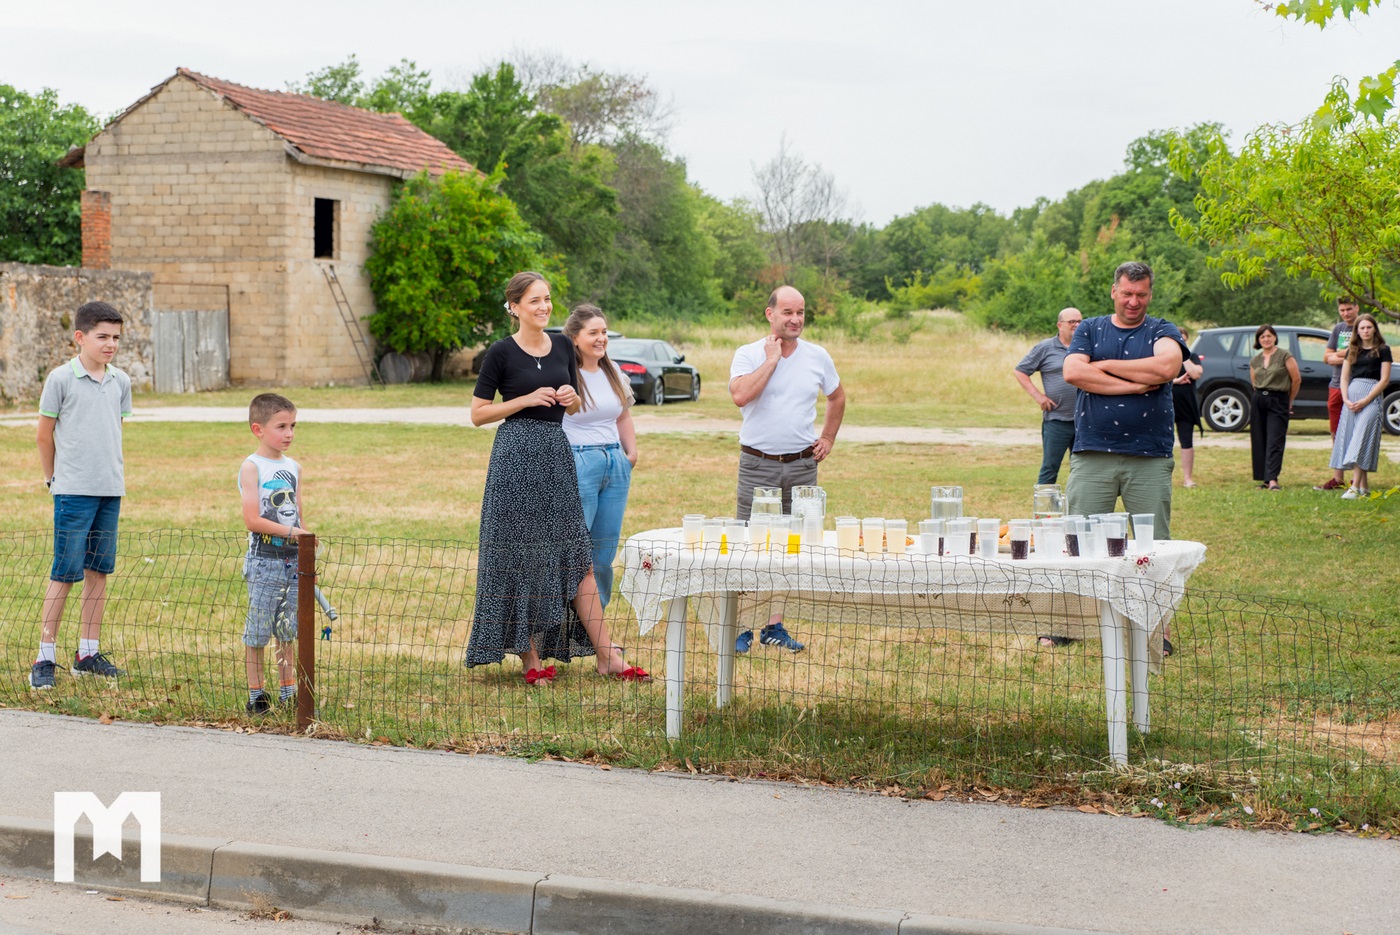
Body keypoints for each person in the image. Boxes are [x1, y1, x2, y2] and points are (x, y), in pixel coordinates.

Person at [465, 272, 646, 683]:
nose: (544, 307)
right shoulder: (500, 352)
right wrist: (524, 400)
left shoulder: (563, 345)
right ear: (514, 307)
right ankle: (530, 661)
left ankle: (608, 657)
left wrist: (572, 398)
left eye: (547, 299)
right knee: (523, 559)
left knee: (579, 558)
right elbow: (477, 414)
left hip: (556, 454)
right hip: (515, 457)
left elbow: (574, 407)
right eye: (534, 301)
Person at [729, 285, 846, 654]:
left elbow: (837, 396)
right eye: (788, 312)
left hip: (801, 466)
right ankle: (743, 627)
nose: (796, 319)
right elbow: (740, 395)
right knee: (750, 545)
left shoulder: (818, 356)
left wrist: (827, 437)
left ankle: (774, 626)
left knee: (791, 546)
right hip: (757, 464)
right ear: (770, 314)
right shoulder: (748, 354)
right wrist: (772, 359)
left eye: (801, 312)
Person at [30, 301, 132, 691]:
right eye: (102, 336)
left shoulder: (120, 381)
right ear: (80, 337)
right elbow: (44, 435)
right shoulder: (60, 379)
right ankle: (45, 657)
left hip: (110, 491)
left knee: (98, 572)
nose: (110, 344)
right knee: (65, 573)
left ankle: (87, 654)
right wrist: (52, 480)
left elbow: (113, 430)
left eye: (116, 337)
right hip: (72, 492)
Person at [1062, 262, 1188, 538]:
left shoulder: (1161, 330)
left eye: (1141, 295)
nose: (1133, 302)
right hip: (1093, 452)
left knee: (1153, 545)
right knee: (1081, 543)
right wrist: (1133, 387)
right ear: (1113, 291)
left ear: (1150, 294)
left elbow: (1167, 367)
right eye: (1127, 293)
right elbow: (1073, 372)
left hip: (1149, 456)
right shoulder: (1089, 328)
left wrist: (1104, 364)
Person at [561, 304, 638, 609]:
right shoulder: (565, 374)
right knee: (575, 551)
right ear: (575, 338)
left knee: (604, 554)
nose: (601, 338)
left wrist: (630, 455)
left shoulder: (613, 370)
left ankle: (594, 626)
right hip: (580, 463)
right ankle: (563, 623)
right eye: (592, 332)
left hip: (615, 464)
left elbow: (623, 416)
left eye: (604, 332)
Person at [238, 393, 309, 714]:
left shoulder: (294, 467)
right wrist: (294, 533)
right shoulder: (252, 467)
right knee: (258, 631)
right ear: (258, 429)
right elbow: (252, 520)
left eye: (293, 426)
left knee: (287, 630)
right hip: (264, 561)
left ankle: (287, 692)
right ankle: (257, 696)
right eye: (281, 426)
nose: (289, 433)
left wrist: (305, 547)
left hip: (293, 563)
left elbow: (298, 518)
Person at [1013, 307, 1082, 484]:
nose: (1076, 325)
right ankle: (1044, 501)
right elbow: (1020, 371)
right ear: (1060, 325)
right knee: (1050, 467)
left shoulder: (1085, 346)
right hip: (1057, 420)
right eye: (1071, 322)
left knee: (1082, 469)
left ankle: (1076, 501)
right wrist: (1038, 396)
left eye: (1079, 321)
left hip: (1084, 420)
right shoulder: (1046, 347)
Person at [1329, 313, 1392, 500]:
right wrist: (1346, 399)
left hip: (1371, 397)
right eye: (1362, 328)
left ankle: (1355, 487)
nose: (1365, 331)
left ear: (1374, 329)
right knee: (1353, 437)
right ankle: (1364, 487)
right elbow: (1344, 378)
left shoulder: (1383, 350)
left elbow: (1385, 379)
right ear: (1357, 331)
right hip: (1352, 397)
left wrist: (1367, 399)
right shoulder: (1352, 350)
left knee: (1362, 438)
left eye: (1368, 327)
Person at [1248, 324, 1301, 492]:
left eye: (1269, 336)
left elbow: (1296, 380)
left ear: (1275, 337)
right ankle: (1264, 479)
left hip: (1278, 399)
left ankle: (1272, 479)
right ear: (1258, 340)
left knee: (1274, 439)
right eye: (1262, 337)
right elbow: (1254, 382)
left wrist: (1289, 401)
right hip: (1259, 399)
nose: (1266, 339)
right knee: (1259, 438)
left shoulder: (1285, 355)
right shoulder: (1255, 360)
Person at [1314, 298, 1360, 491]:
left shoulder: (1364, 326)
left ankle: (1356, 480)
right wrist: (1346, 353)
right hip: (1335, 386)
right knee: (1336, 432)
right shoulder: (1338, 329)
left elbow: (1361, 355)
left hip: (1356, 385)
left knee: (1356, 432)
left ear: (1357, 307)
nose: (1346, 313)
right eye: (1342, 310)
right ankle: (1338, 478)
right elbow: (1326, 357)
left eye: (1349, 309)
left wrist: (1340, 354)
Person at [1170, 325, 1204, 488]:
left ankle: (1187, 478)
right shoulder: (1165, 357)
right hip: (1166, 406)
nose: (1180, 342)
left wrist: (1183, 356)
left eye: (1183, 340)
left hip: (1186, 407)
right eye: (1178, 340)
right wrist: (1175, 381)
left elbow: (1196, 373)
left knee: (1186, 441)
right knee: (1163, 442)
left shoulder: (1192, 357)